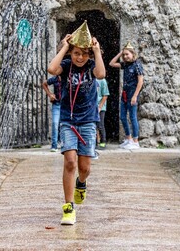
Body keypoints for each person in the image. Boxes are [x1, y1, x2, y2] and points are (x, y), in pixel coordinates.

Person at [47, 21, 105, 226]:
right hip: (68, 120)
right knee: (70, 162)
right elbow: (51, 69)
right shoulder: (66, 66)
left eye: (84, 54)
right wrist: (64, 46)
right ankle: (68, 207)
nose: (80, 58)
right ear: (72, 53)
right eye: (76, 53)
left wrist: (96, 51)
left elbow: (101, 74)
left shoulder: (91, 65)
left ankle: (82, 183)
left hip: (88, 120)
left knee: (84, 167)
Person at [109, 41, 144, 150]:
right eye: (124, 55)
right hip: (125, 93)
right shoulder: (125, 64)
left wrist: (135, 96)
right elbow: (111, 63)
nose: (125, 56)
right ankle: (128, 138)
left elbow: (140, 82)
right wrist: (120, 53)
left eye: (127, 54)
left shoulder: (137, 64)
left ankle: (135, 141)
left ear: (133, 54)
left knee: (133, 117)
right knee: (123, 117)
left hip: (133, 93)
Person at [42, 75, 61, 152]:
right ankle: (54, 145)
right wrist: (50, 94)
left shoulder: (68, 78)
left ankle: (62, 142)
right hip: (56, 104)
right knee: (55, 123)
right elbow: (44, 84)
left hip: (66, 105)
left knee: (64, 124)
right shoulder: (55, 79)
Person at [96, 77, 109, 149]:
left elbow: (105, 95)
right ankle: (94, 142)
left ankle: (103, 141)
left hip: (100, 107)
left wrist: (100, 107)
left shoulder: (102, 81)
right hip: (91, 107)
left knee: (100, 125)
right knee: (92, 126)